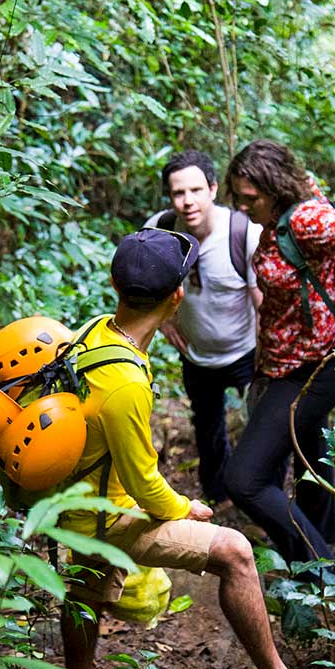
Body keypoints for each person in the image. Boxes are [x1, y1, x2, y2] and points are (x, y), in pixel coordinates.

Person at [58, 226, 335, 669]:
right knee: (235, 552)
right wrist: (183, 508)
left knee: (84, 590)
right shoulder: (124, 382)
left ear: (115, 286)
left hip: (76, 501)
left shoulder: (94, 330)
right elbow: (145, 483)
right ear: (177, 297)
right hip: (104, 515)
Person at [222, 140, 335, 570]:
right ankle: (321, 563)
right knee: (309, 462)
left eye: (251, 199)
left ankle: (321, 572)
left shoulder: (304, 220)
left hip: (314, 368)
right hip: (293, 360)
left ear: (276, 189)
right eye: (238, 198)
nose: (242, 208)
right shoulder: (292, 207)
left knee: (244, 480)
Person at [144, 150, 263, 505]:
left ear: (213, 189)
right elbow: (143, 281)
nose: (187, 201)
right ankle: (218, 498)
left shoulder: (244, 234)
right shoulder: (160, 230)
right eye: (178, 193)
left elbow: (263, 297)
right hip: (196, 354)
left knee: (259, 428)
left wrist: (271, 350)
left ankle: (259, 497)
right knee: (207, 427)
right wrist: (164, 321)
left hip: (246, 351)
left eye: (196, 190)